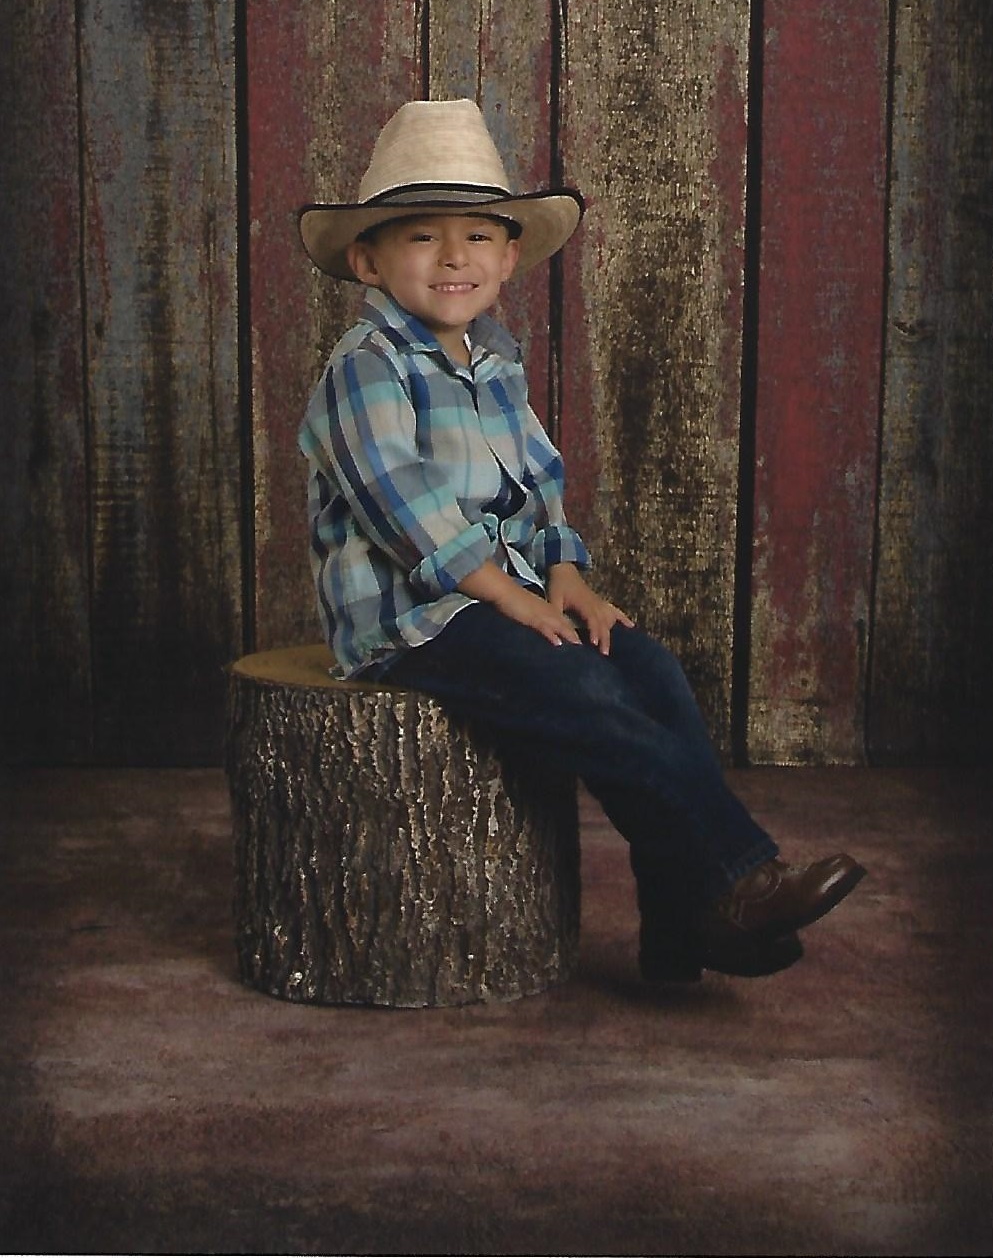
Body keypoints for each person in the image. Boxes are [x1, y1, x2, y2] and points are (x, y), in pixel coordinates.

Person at [297, 98, 865, 985]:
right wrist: (511, 597)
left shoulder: (493, 360)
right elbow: (400, 505)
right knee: (587, 691)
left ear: (508, 255)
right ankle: (736, 877)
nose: (454, 258)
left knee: (650, 671)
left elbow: (537, 475)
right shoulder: (366, 365)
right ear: (368, 259)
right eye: (421, 238)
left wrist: (563, 573)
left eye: (477, 237)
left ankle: (680, 932)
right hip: (411, 619)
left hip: (504, 594)